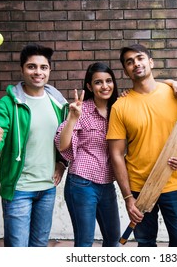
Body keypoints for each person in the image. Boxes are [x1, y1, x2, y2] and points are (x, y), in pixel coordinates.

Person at [0, 43, 68, 247]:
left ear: (49, 70)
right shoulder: (8, 104)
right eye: (31, 66)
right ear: (22, 70)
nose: (38, 72)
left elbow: (63, 140)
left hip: (47, 188)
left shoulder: (59, 104)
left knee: (39, 247)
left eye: (43, 67)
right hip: (19, 190)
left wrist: (61, 163)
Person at [106, 44, 177, 247]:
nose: (136, 64)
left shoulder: (176, 94)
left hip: (174, 183)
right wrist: (128, 197)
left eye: (140, 58)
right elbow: (116, 155)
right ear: (126, 70)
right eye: (129, 62)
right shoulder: (120, 106)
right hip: (140, 188)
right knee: (145, 245)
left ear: (151, 62)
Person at [54, 62, 120, 247]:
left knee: (113, 238)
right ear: (90, 86)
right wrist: (73, 118)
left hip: (107, 183)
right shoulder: (81, 110)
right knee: (85, 242)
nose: (105, 86)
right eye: (98, 82)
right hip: (82, 183)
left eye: (108, 81)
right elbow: (62, 144)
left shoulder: (119, 109)